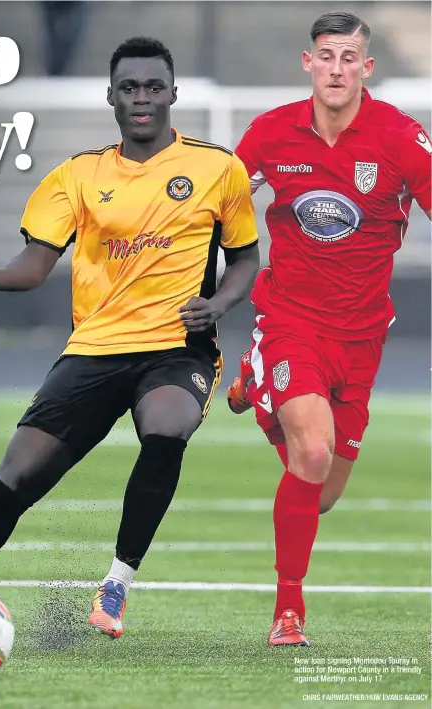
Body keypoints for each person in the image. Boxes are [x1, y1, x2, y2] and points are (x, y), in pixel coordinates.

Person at [0, 36, 260, 650]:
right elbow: (35, 264)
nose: (141, 98)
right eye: (129, 88)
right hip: (94, 350)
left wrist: (219, 304)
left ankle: (115, 585)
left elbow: (246, 259)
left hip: (177, 347)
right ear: (111, 97)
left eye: (152, 87)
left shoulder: (218, 168)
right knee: (16, 477)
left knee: (167, 429)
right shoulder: (77, 175)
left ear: (173, 94)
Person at [226, 11, 431, 647]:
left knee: (320, 495)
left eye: (349, 58)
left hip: (363, 337)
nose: (337, 68)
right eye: (326, 56)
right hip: (291, 320)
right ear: (307, 63)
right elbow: (218, 201)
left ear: (367, 68)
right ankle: (289, 612)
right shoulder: (270, 134)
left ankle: (256, 386)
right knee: (310, 453)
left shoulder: (399, 138)